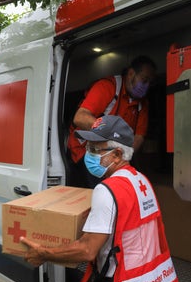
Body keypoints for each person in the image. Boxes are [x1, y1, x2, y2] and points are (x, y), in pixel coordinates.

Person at [22, 115, 179, 282]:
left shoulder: (107, 190)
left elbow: (87, 250)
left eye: (96, 149)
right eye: (89, 147)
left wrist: (44, 253)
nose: (88, 154)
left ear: (117, 155)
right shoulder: (141, 180)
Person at [67, 56, 157, 188]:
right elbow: (80, 117)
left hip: (114, 155)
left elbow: (139, 137)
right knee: (101, 188)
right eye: (144, 80)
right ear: (131, 73)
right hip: (87, 151)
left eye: (150, 83)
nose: (146, 86)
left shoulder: (142, 104)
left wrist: (124, 156)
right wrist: (110, 133)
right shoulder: (108, 87)